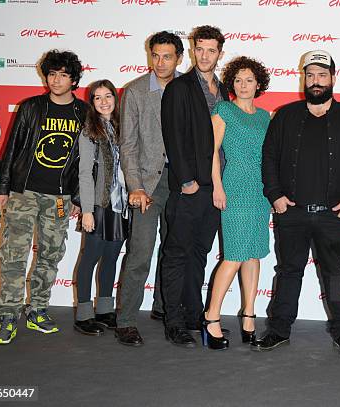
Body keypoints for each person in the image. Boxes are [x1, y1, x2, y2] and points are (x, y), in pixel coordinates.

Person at [254, 50, 340, 357]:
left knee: (335, 276)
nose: (316, 81)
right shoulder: (285, 115)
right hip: (291, 213)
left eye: (322, 75)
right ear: (303, 79)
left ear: (333, 77)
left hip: (334, 215)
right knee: (289, 271)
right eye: (310, 76)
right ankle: (278, 330)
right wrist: (275, 196)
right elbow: (268, 157)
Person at [0, 49, 88, 345]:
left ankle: (38, 310)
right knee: (14, 255)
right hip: (24, 192)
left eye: (63, 75)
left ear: (74, 80)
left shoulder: (83, 112)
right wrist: (3, 188)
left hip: (59, 197)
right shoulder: (31, 107)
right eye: (52, 74)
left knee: (50, 254)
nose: (56, 80)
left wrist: (79, 199)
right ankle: (7, 315)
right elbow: (11, 149)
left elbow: (86, 161)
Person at [160, 25, 229, 348]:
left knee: (199, 253)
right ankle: (173, 322)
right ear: (192, 51)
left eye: (211, 50)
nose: (204, 55)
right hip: (189, 188)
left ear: (220, 53)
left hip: (216, 188)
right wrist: (185, 181)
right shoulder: (179, 88)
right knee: (176, 254)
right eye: (199, 49)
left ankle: (192, 315)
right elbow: (173, 136)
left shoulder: (225, 90)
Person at [116, 31, 184, 346]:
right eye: (154, 55)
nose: (159, 62)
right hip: (147, 186)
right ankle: (126, 320)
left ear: (179, 58)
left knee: (173, 253)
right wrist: (136, 186)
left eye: (166, 56)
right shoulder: (135, 91)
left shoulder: (192, 89)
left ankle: (163, 307)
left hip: (182, 185)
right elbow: (127, 146)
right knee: (140, 253)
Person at [202, 57, 272, 350]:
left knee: (254, 254)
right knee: (233, 255)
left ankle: (248, 315)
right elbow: (211, 152)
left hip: (260, 190)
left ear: (259, 85)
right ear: (232, 83)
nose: (244, 85)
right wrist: (217, 186)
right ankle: (211, 318)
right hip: (234, 186)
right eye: (239, 80)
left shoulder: (265, 116)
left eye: (250, 80)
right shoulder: (224, 110)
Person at [74, 80, 128, 336]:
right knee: (90, 260)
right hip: (96, 205)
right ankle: (84, 314)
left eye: (108, 96)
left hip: (121, 206)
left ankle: (105, 310)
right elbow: (85, 173)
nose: (104, 101)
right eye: (97, 98)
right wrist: (86, 210)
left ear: (116, 100)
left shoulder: (125, 128)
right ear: (92, 103)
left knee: (111, 259)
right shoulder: (89, 131)